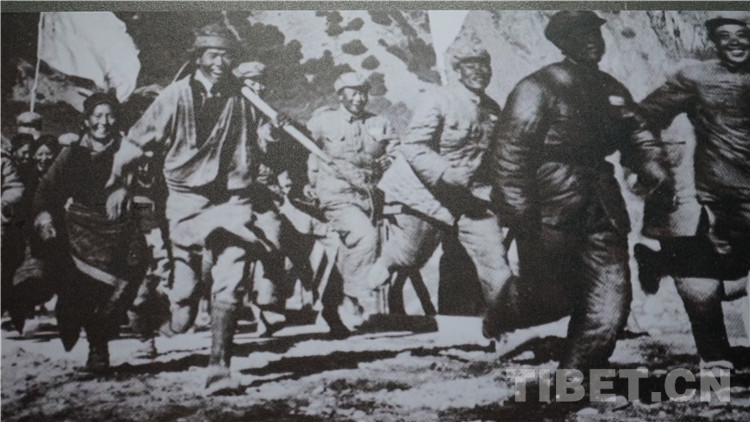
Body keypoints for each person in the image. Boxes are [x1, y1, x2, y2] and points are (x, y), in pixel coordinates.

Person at [490, 11, 671, 374]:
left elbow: (638, 133)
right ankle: (500, 311)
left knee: (610, 302)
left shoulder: (611, 88)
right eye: (580, 35)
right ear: (562, 43)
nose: (591, 41)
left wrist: (653, 166)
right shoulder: (537, 87)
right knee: (552, 298)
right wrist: (520, 215)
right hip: (549, 208)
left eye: (595, 34)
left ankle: (572, 380)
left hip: (603, 205)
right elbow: (509, 153)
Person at [108, 25, 287, 392]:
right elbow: (136, 143)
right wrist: (117, 184)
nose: (221, 62)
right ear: (198, 58)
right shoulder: (174, 96)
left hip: (233, 200)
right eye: (213, 55)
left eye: (227, 55)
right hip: (186, 200)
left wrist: (273, 131)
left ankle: (219, 367)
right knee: (185, 293)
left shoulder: (244, 97)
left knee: (232, 278)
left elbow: (263, 145)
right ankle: (178, 308)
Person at [635, 15, 750, 368]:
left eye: (743, 34)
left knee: (731, 276)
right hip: (705, 198)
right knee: (700, 281)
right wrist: (651, 159)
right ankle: (715, 358)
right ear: (714, 42)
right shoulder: (696, 78)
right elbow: (640, 117)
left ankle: (658, 262)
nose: (735, 42)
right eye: (725, 35)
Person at [375, 42, 513, 327]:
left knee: (496, 264)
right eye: (470, 66)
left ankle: (503, 329)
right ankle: (386, 262)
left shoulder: (492, 110)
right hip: (425, 195)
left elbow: (492, 158)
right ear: (458, 71)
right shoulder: (438, 100)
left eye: (483, 65)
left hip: (469, 197)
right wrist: (446, 172)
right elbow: (413, 146)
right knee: (410, 256)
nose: (479, 71)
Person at [32, 92, 148, 373]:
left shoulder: (130, 150)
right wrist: (45, 217)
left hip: (122, 230)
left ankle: (110, 337)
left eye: (110, 116)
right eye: (97, 116)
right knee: (87, 294)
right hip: (82, 233)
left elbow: (150, 185)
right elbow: (47, 189)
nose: (103, 122)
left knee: (123, 288)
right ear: (86, 121)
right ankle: (98, 349)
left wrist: (128, 189)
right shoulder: (72, 153)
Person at [305, 72, 397, 327]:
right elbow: (299, 150)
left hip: (370, 196)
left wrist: (390, 159)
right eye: (353, 93)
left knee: (352, 250)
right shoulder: (323, 122)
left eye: (363, 93)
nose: (359, 98)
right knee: (365, 236)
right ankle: (351, 298)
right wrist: (304, 183)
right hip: (336, 194)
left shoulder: (379, 123)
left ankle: (331, 306)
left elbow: (398, 151)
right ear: (340, 95)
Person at [7, 135, 61, 332]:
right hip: (27, 231)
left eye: (48, 154)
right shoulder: (26, 175)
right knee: (28, 272)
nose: (44, 158)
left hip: (55, 229)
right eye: (40, 154)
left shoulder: (60, 176)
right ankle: (25, 312)